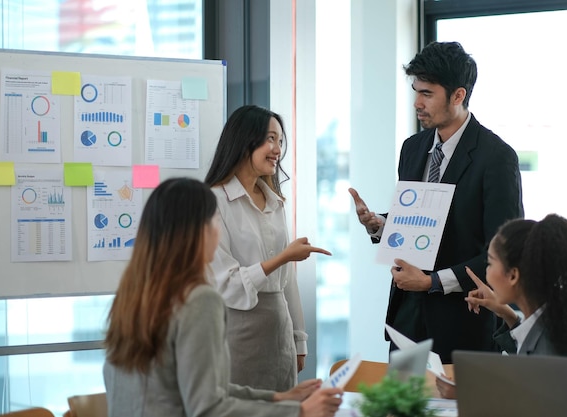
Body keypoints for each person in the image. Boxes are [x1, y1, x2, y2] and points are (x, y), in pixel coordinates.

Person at [103, 178, 342, 417]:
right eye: (213, 221)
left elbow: (199, 387)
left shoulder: (132, 296)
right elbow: (208, 409)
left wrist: (278, 397)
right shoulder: (198, 299)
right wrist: (299, 412)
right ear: (197, 231)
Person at [349, 41, 524, 363]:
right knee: (401, 409)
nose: (417, 103)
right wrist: (381, 224)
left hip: (464, 322)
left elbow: (502, 252)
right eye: (416, 91)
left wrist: (432, 282)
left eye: (427, 93)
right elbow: (421, 219)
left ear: (458, 95)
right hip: (407, 319)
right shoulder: (413, 148)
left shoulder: (496, 157)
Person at [205, 105, 332, 391]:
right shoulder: (214, 202)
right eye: (270, 139)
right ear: (244, 140)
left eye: (280, 141)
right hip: (236, 332)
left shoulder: (274, 202)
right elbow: (226, 283)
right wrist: (283, 256)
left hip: (279, 332)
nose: (277, 149)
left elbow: (288, 281)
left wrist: (299, 339)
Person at [435, 214, 567, 410]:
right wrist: (507, 314)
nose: (487, 273)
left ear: (513, 275)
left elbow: (542, 397)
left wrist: (469, 392)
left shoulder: (551, 346)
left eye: (490, 263)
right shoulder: (559, 323)